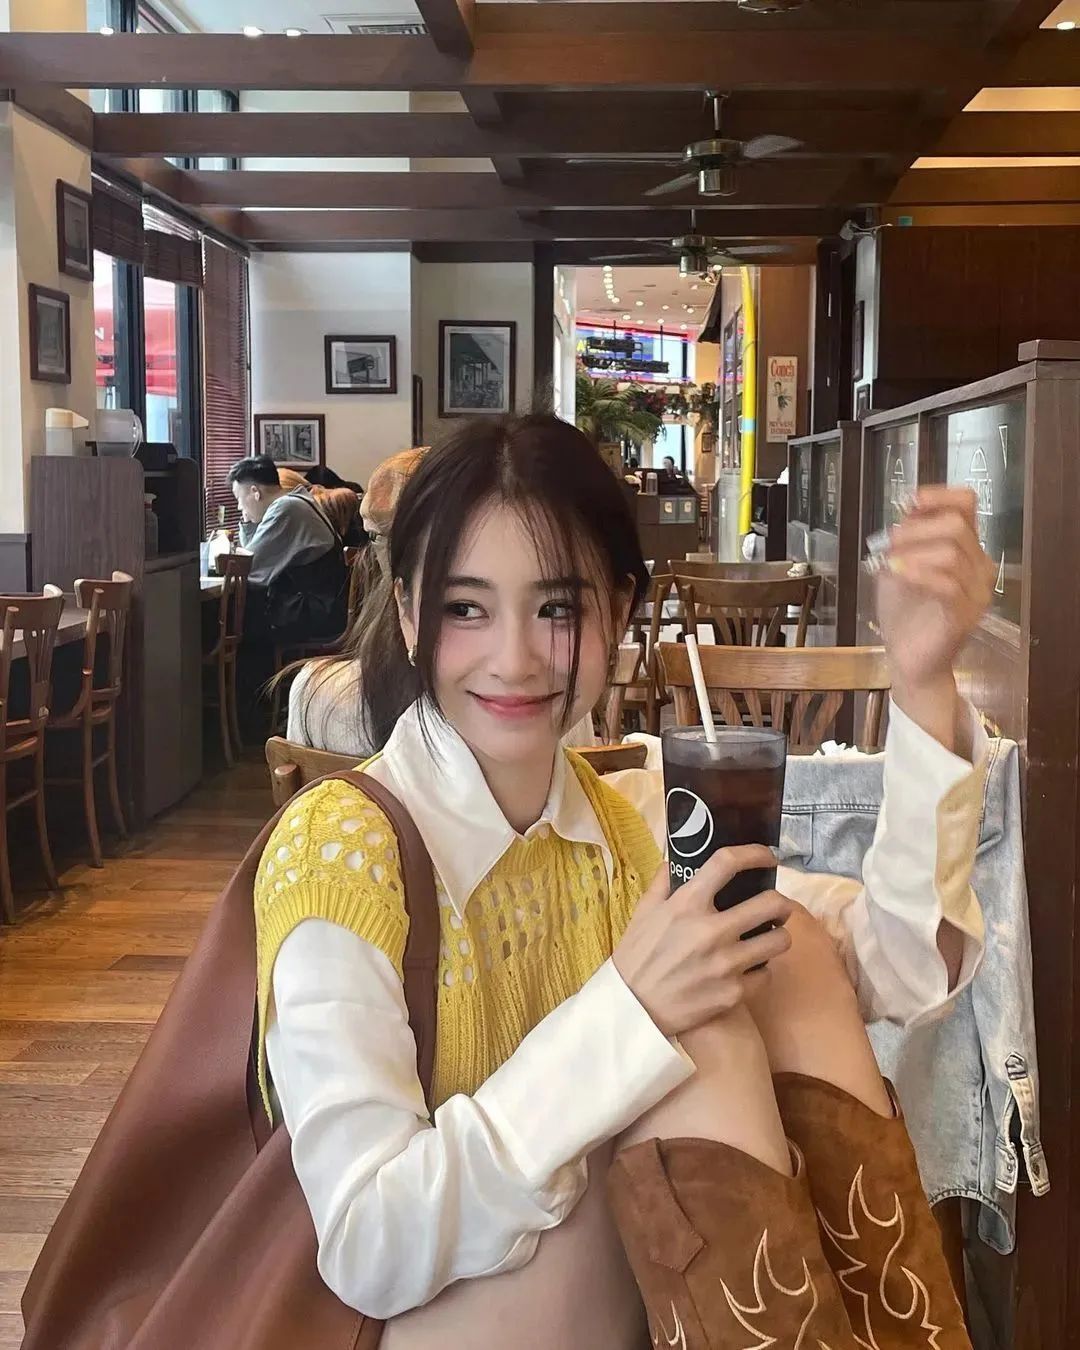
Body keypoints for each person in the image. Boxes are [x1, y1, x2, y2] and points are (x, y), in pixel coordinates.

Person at [254, 414, 989, 1347]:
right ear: (408, 614)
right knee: (704, 1026)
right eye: (465, 609)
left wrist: (924, 686)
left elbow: (902, 969)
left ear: (620, 611)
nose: (514, 657)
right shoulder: (342, 852)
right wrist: (629, 1015)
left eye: (557, 609)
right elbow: (369, 1242)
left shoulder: (633, 818)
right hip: (430, 1321)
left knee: (785, 953)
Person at [286, 445, 597, 755]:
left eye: (555, 609)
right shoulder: (551, 701)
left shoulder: (315, 695)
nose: (513, 667)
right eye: (463, 609)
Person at [228, 456, 347, 643]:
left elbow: (249, 567)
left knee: (237, 617)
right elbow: (255, 558)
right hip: (323, 606)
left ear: (255, 492)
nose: (238, 506)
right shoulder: (296, 499)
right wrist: (248, 522)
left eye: (239, 499)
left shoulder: (286, 508)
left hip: (313, 611)